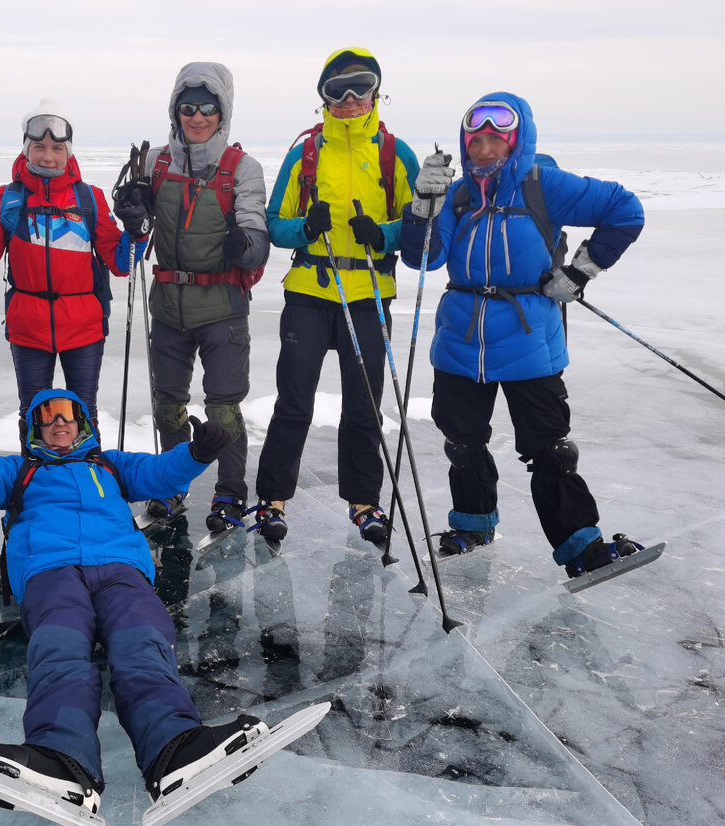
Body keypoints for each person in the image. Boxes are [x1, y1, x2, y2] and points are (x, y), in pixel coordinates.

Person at [0, 388, 268, 812]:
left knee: (143, 643)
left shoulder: (111, 465)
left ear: (82, 422)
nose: (58, 422)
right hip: (51, 572)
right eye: (47, 417)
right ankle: (61, 761)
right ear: (36, 429)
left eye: (67, 414)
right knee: (58, 652)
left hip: (120, 569)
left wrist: (196, 453)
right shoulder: (20, 470)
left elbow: (160, 472)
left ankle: (175, 749)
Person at [400, 91, 645, 576]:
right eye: (477, 140)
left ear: (516, 141)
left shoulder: (542, 185)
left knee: (549, 446)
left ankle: (582, 548)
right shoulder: (456, 192)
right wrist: (421, 206)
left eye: (497, 139)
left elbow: (625, 210)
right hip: (460, 340)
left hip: (530, 337)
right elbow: (422, 258)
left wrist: (579, 272)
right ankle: (472, 525)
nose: (485, 150)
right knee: (462, 442)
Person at [254, 47, 418, 548]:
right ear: (323, 97)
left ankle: (364, 501)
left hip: (370, 294)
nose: (349, 100)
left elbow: (417, 230)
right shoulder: (306, 151)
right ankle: (272, 498)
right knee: (294, 401)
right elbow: (273, 224)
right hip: (310, 292)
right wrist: (305, 228)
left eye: (360, 87)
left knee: (366, 404)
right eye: (336, 91)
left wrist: (385, 235)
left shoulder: (395, 154)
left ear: (376, 92)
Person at [0, 99, 148, 436]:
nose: (48, 156)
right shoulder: (6, 198)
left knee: (83, 414)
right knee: (33, 415)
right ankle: (33, 485)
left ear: (69, 152)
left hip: (84, 327)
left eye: (57, 147)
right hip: (27, 326)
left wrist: (139, 230)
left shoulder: (89, 198)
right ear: (26, 149)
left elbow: (120, 262)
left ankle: (89, 485)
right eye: (39, 147)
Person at [133, 61, 270, 532]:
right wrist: (130, 206)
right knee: (167, 404)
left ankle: (230, 493)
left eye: (207, 107)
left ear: (222, 111)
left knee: (223, 408)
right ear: (175, 110)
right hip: (168, 303)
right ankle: (170, 489)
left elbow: (257, 238)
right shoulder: (154, 162)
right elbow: (134, 221)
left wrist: (245, 245)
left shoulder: (244, 169)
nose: (197, 116)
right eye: (187, 107)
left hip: (222, 308)